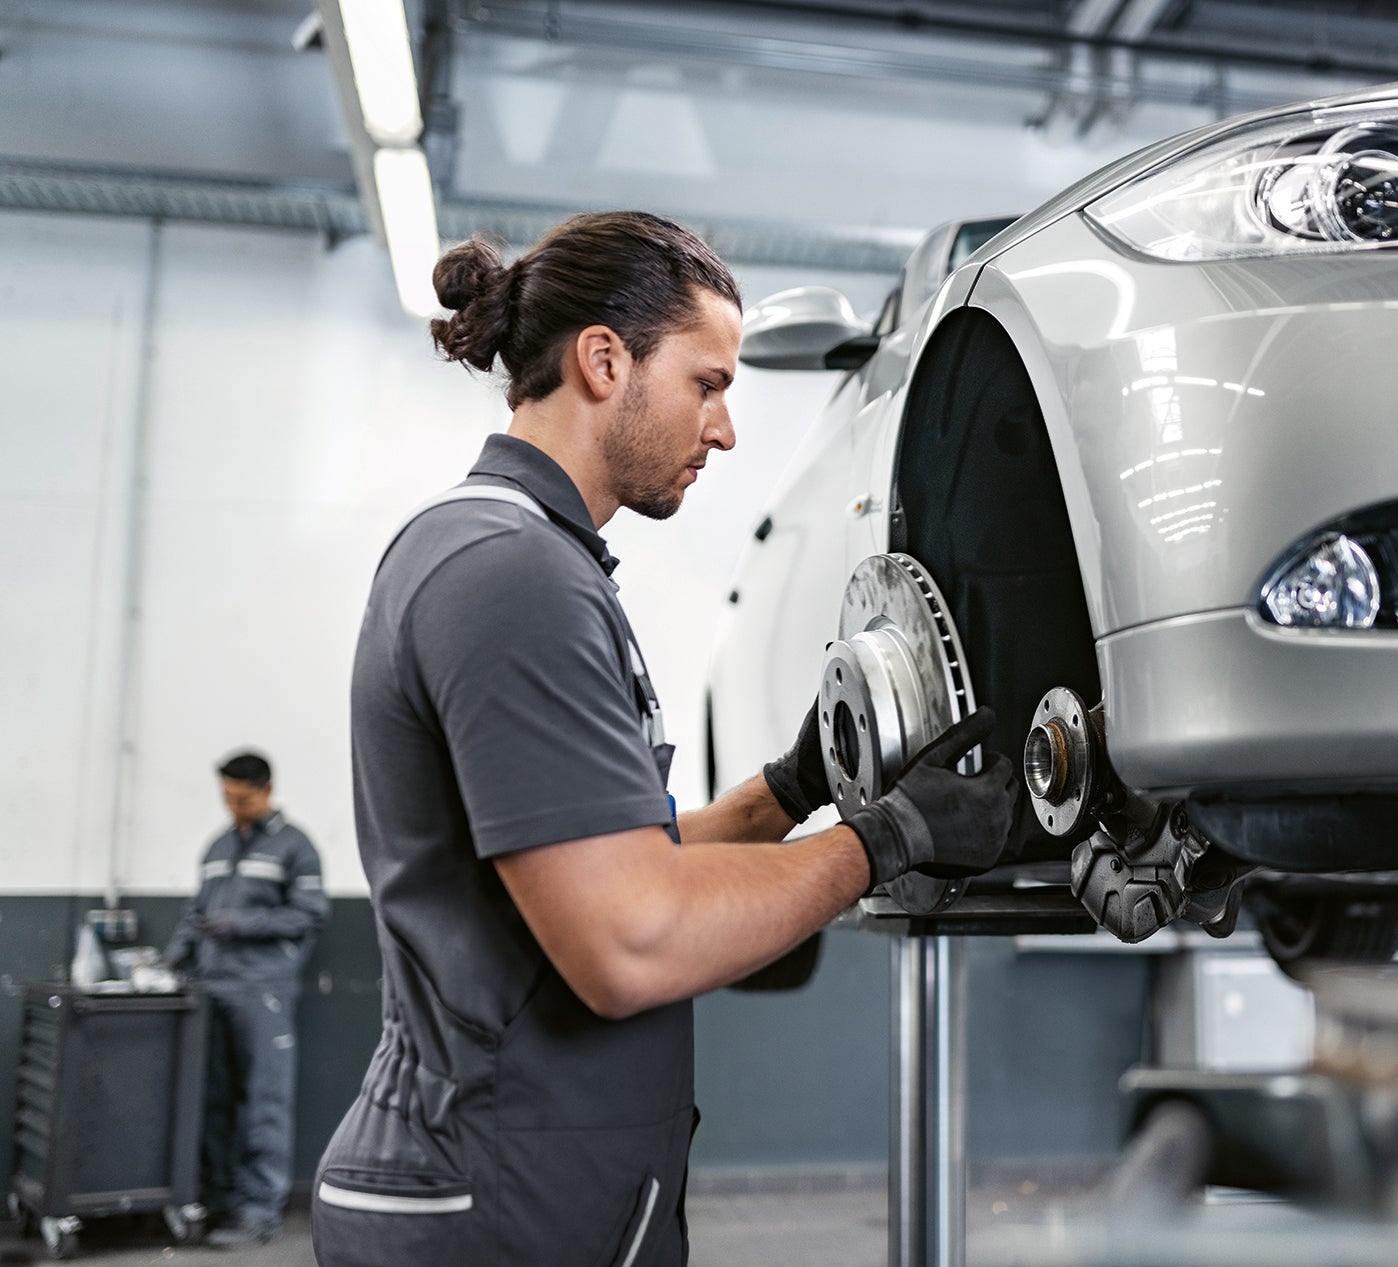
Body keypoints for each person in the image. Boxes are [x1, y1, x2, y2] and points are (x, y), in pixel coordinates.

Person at [311, 212, 1018, 1267]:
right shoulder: (510, 572)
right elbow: (627, 939)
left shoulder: (520, 555)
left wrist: (785, 793)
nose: (724, 430)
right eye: (708, 383)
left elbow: (610, 866)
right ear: (604, 360)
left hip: (520, 1184)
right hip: (494, 1203)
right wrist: (886, 840)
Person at [165, 750, 327, 1248]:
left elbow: (310, 915)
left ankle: (259, 1211)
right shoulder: (217, 846)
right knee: (212, 1101)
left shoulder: (294, 846)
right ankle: (219, 1199)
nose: (233, 807)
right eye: (227, 798)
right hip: (210, 989)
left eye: (242, 798)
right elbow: (196, 912)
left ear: (267, 790)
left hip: (263, 991)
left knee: (264, 1102)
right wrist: (171, 960)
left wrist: (242, 924)